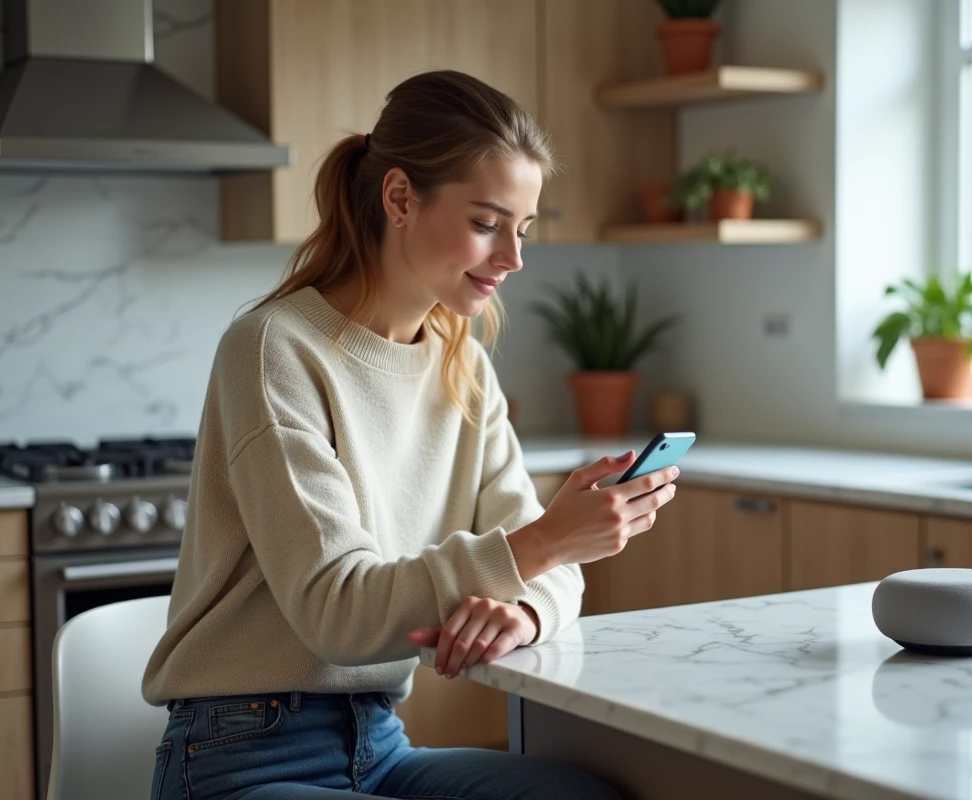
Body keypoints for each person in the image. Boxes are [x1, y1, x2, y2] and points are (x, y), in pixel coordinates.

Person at [140, 69, 680, 800]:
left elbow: (553, 571)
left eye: (522, 230)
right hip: (238, 755)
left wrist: (523, 610)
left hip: (380, 743)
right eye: (487, 223)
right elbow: (338, 612)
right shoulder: (274, 349)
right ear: (399, 198)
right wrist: (546, 542)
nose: (513, 257)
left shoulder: (464, 366)